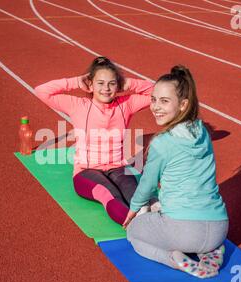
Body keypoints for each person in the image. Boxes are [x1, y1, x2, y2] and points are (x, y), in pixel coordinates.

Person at [123, 65, 229, 279]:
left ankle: (174, 259)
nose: (155, 107)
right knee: (160, 203)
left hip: (183, 232)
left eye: (164, 101)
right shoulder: (202, 132)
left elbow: (147, 185)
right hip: (220, 228)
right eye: (153, 100)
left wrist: (133, 209)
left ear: (183, 104)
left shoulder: (163, 143)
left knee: (134, 234)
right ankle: (211, 250)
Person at [35, 57, 153, 225]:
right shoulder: (77, 105)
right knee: (110, 194)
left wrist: (127, 83)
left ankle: (152, 224)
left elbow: (157, 92)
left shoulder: (126, 104)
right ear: (90, 85)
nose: (106, 88)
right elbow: (41, 91)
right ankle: (136, 227)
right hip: (86, 171)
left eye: (112, 83)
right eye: (100, 83)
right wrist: (77, 81)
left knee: (137, 198)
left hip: (118, 168)